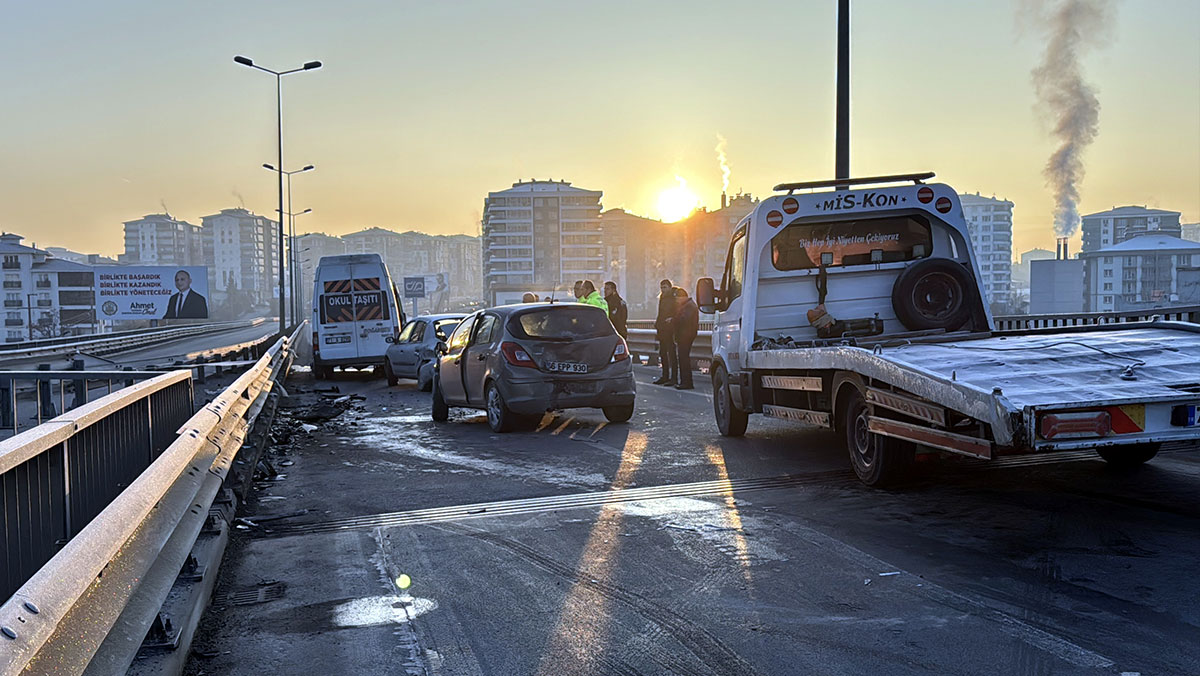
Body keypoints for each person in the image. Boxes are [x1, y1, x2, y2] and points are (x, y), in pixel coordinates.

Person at [673, 286, 699, 390]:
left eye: (677, 298)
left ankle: (686, 382)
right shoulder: (688, 305)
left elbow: (683, 319)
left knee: (683, 359)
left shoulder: (688, 306)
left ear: (682, 297)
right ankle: (685, 381)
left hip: (686, 335)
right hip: (685, 335)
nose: (676, 301)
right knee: (683, 359)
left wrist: (673, 320)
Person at [652, 279, 677, 385]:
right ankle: (665, 376)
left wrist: (672, 319)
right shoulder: (662, 298)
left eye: (665, 287)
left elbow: (678, 312)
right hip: (662, 330)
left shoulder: (674, 298)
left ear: (670, 287)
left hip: (670, 330)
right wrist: (657, 325)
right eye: (661, 287)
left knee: (671, 354)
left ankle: (674, 378)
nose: (663, 290)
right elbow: (661, 313)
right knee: (663, 354)